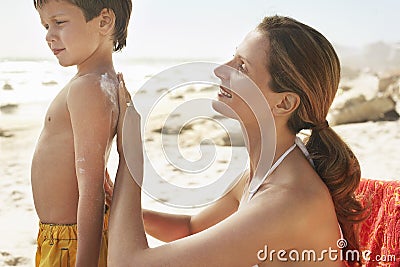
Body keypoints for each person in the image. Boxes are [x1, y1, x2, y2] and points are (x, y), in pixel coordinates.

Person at [109, 16, 366, 266]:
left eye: (242, 66)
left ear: (284, 103)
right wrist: (115, 207)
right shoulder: (262, 174)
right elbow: (190, 230)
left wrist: (131, 152)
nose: (221, 70)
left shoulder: (287, 200)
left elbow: (127, 263)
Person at [31, 0, 132, 266]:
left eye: (59, 22)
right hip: (66, 236)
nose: (49, 36)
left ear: (104, 21)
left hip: (73, 242)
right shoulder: (99, 81)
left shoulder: (87, 88)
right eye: (45, 25)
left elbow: (91, 191)